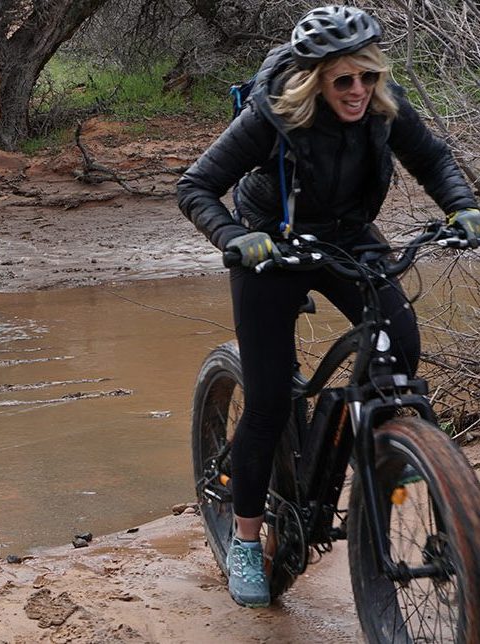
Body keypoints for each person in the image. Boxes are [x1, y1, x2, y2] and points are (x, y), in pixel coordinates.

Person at [177, 5, 479, 608]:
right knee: (266, 401)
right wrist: (236, 237)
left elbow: (433, 159)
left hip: (347, 236)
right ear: (316, 80)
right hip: (272, 246)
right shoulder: (271, 117)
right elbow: (195, 185)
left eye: (367, 76)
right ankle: (245, 541)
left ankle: (384, 454)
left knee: (401, 343)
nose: (359, 91)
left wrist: (461, 205)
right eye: (344, 80)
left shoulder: (383, 105)